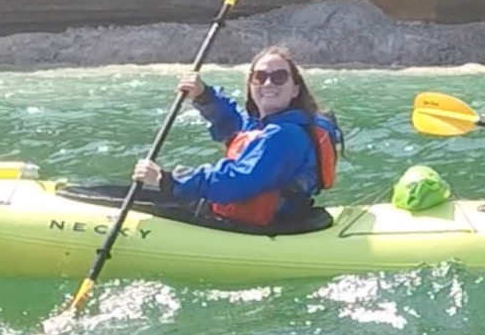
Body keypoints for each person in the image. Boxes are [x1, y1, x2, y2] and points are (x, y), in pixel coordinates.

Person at [132, 46, 342, 227]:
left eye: (279, 77)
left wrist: (168, 180)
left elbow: (237, 181)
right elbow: (234, 124)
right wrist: (203, 95)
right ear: (251, 86)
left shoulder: (285, 135)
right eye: (259, 77)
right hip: (256, 216)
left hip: (266, 225)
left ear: (295, 89)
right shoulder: (266, 125)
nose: (268, 83)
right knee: (106, 193)